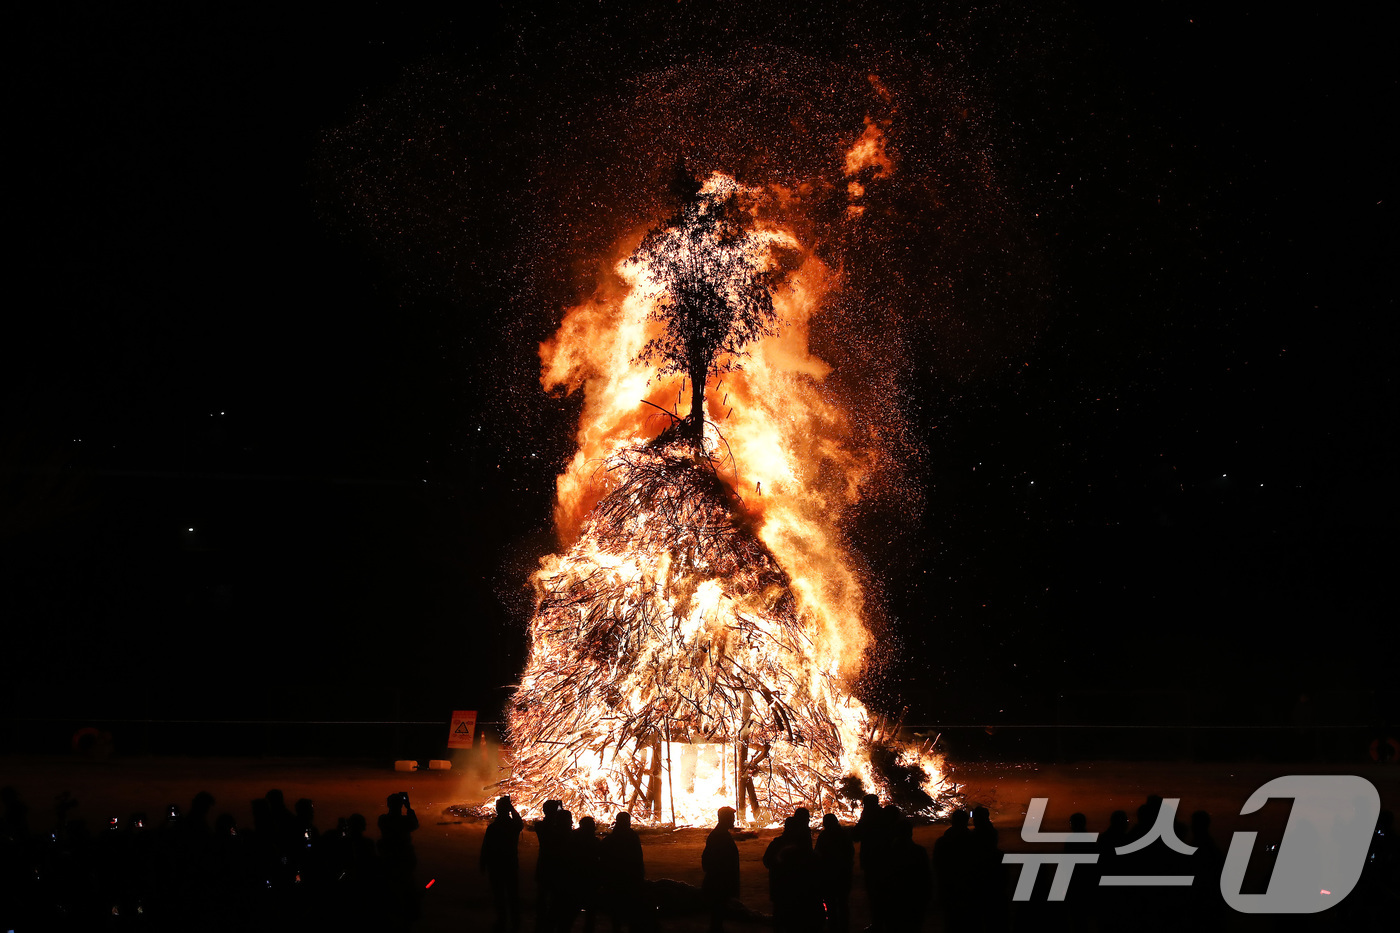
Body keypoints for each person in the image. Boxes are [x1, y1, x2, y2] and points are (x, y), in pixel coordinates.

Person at [481, 796, 525, 933]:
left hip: (496, 866)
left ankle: (502, 920)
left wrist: (483, 863)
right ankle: (515, 921)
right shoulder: (513, 826)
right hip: (510, 864)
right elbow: (519, 822)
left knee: (499, 894)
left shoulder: (493, 827)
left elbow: (486, 847)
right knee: (512, 894)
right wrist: (512, 808)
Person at [599, 812, 645, 932]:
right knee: (631, 910)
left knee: (616, 911)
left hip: (615, 880)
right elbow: (638, 858)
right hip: (629, 879)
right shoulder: (632, 837)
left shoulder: (611, 838)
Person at [701, 807, 740, 933]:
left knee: (718, 915)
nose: (734, 820)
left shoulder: (720, 835)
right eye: (731, 817)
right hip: (719, 882)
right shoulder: (720, 837)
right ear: (725, 819)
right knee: (717, 915)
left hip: (719, 881)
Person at [815, 813, 853, 933]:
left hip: (829, 876)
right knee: (842, 903)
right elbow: (850, 853)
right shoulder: (844, 835)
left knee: (831, 904)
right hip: (842, 874)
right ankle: (843, 927)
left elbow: (817, 854)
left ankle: (833, 927)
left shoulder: (824, 836)